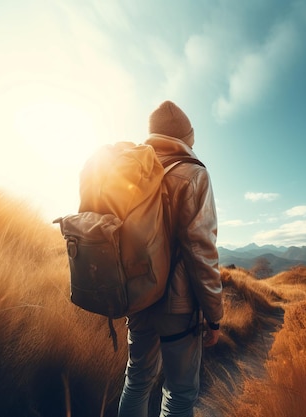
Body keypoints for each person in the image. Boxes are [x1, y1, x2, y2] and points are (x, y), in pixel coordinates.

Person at [118, 100, 223, 417]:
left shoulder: (131, 172)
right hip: (176, 305)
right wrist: (214, 315)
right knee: (180, 393)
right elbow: (201, 252)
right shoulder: (193, 174)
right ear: (186, 138)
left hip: (136, 296)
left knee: (136, 381)